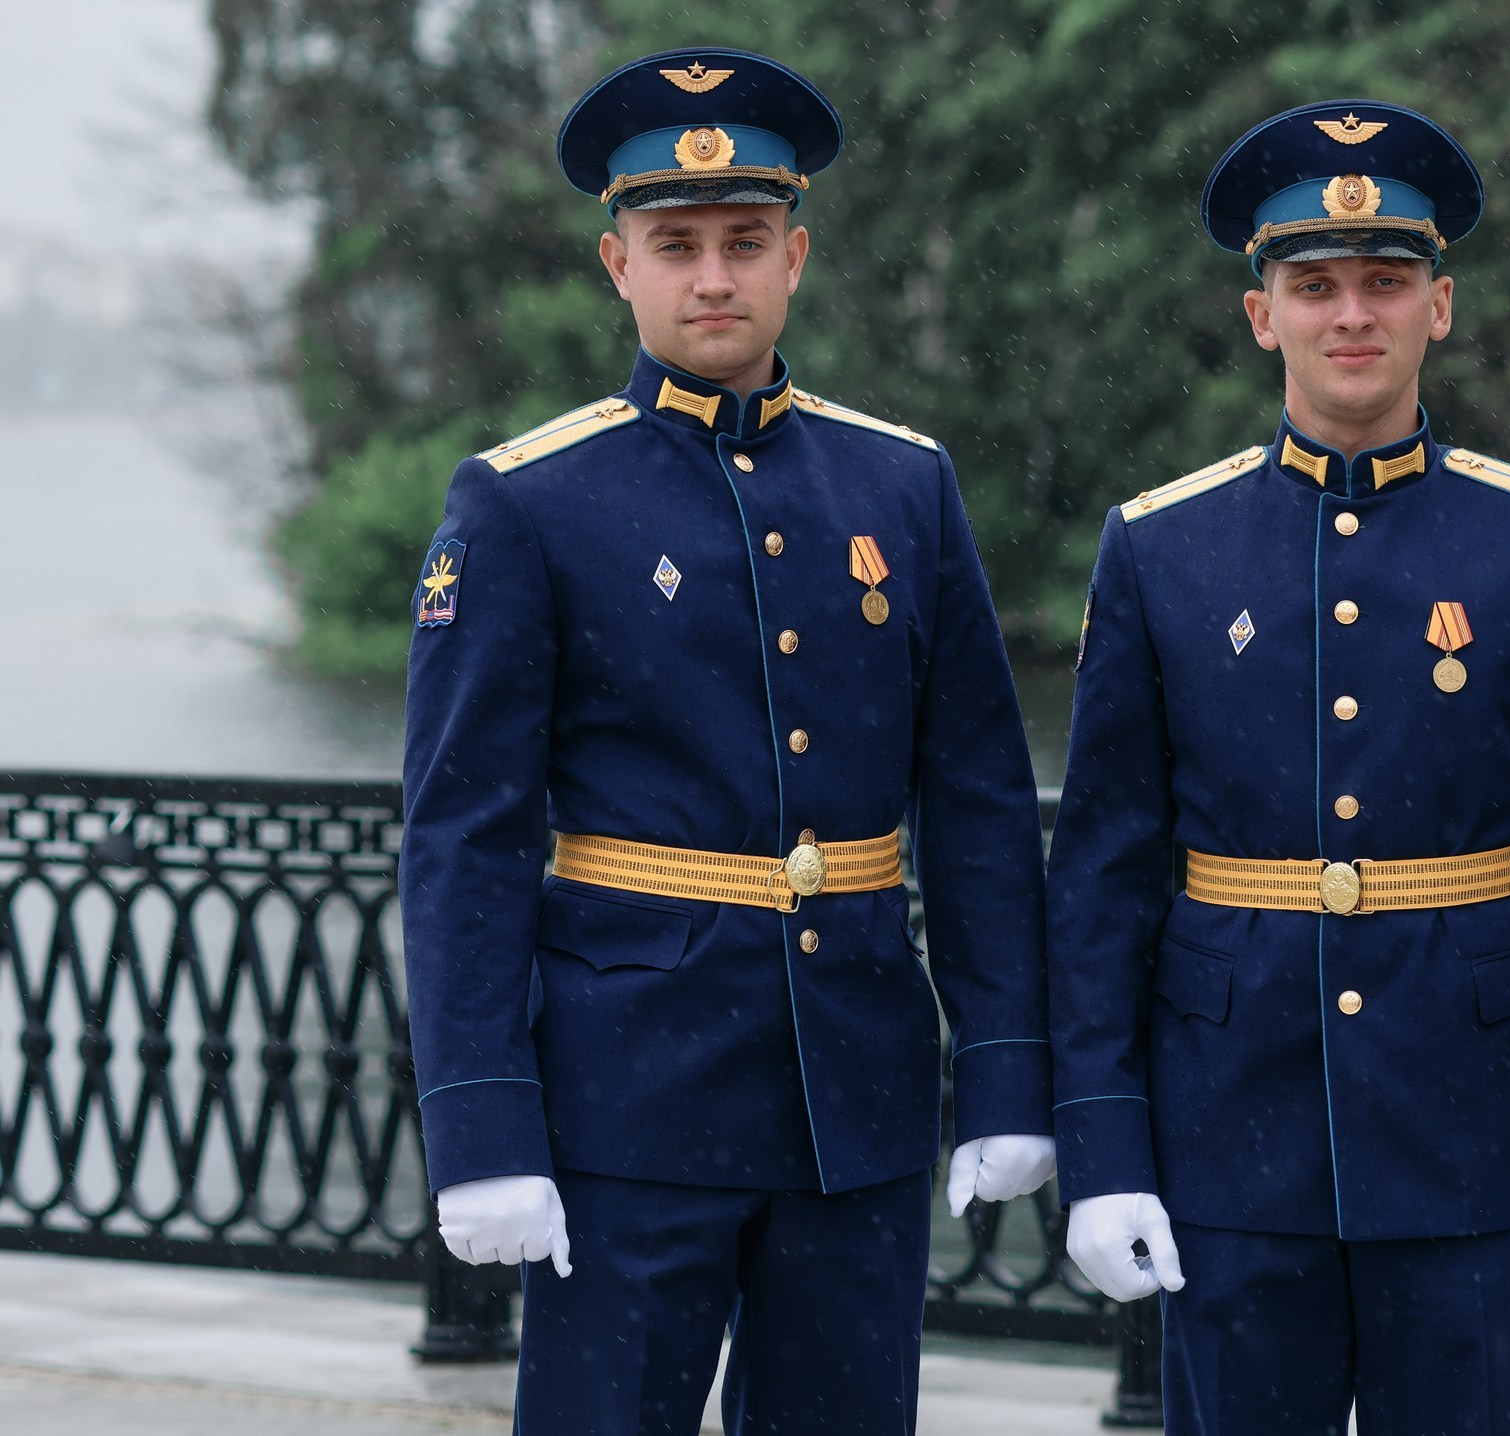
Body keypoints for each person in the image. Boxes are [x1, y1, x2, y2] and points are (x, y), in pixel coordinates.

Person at [399, 47, 1054, 1435]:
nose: (713, 277)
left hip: (856, 1086)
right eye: (676, 244)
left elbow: (980, 803)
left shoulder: (905, 484)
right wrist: (479, 1125)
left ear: (797, 257)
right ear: (615, 264)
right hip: (626, 1095)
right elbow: (466, 834)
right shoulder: (529, 502)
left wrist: (1005, 1067)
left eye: (745, 243)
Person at [1045, 100, 1510, 1435]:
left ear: (1439, 306)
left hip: (1472, 1120)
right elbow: (1103, 873)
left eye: (1385, 283)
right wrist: (1101, 1148)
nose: (1351, 314)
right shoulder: (1162, 549)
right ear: (1259, 315)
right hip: (1230, 1122)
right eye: (1313, 285)